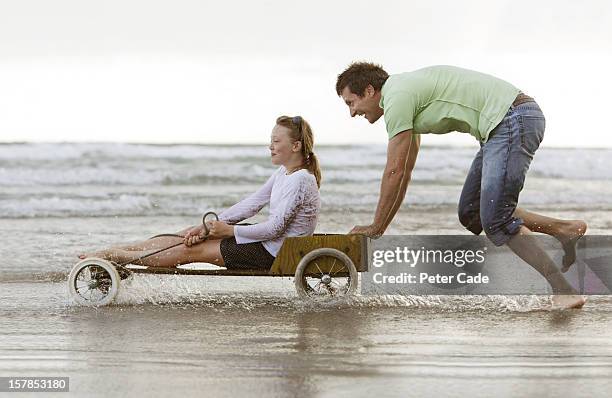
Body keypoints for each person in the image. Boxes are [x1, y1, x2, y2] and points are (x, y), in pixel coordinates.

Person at [336, 62, 587, 309]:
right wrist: (380, 227)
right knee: (471, 211)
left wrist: (376, 226)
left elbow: (394, 170)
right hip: (505, 124)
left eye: (351, 102)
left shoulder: (396, 97)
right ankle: (564, 229)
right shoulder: (402, 93)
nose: (352, 112)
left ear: (369, 91)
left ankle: (563, 289)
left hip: (512, 119)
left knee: (496, 220)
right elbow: (404, 172)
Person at [78, 116, 321, 270]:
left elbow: (276, 229)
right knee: (187, 235)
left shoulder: (301, 180)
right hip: (264, 242)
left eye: (276, 141)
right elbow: (253, 202)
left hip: (273, 252)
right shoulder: (284, 173)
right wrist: (212, 225)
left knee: (191, 250)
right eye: (271, 140)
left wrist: (230, 230)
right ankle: (123, 250)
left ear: (295, 146)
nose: (270, 146)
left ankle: (119, 258)